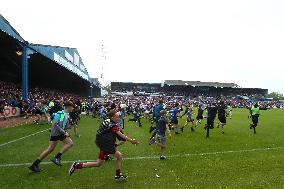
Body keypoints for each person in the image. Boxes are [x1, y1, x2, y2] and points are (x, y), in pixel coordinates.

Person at [69, 110, 139, 181]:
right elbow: (120, 134)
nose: (118, 118)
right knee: (119, 156)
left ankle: (77, 165)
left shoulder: (107, 120)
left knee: (98, 163)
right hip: (105, 144)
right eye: (117, 117)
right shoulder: (112, 125)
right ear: (112, 117)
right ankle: (118, 176)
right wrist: (131, 140)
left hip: (102, 142)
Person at [28, 101, 74, 173]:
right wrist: (64, 132)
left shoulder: (66, 114)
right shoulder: (61, 114)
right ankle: (57, 157)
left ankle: (34, 165)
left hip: (58, 132)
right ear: (68, 107)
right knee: (70, 143)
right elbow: (56, 124)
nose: (73, 108)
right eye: (72, 107)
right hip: (57, 133)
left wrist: (70, 126)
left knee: (50, 149)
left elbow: (62, 125)